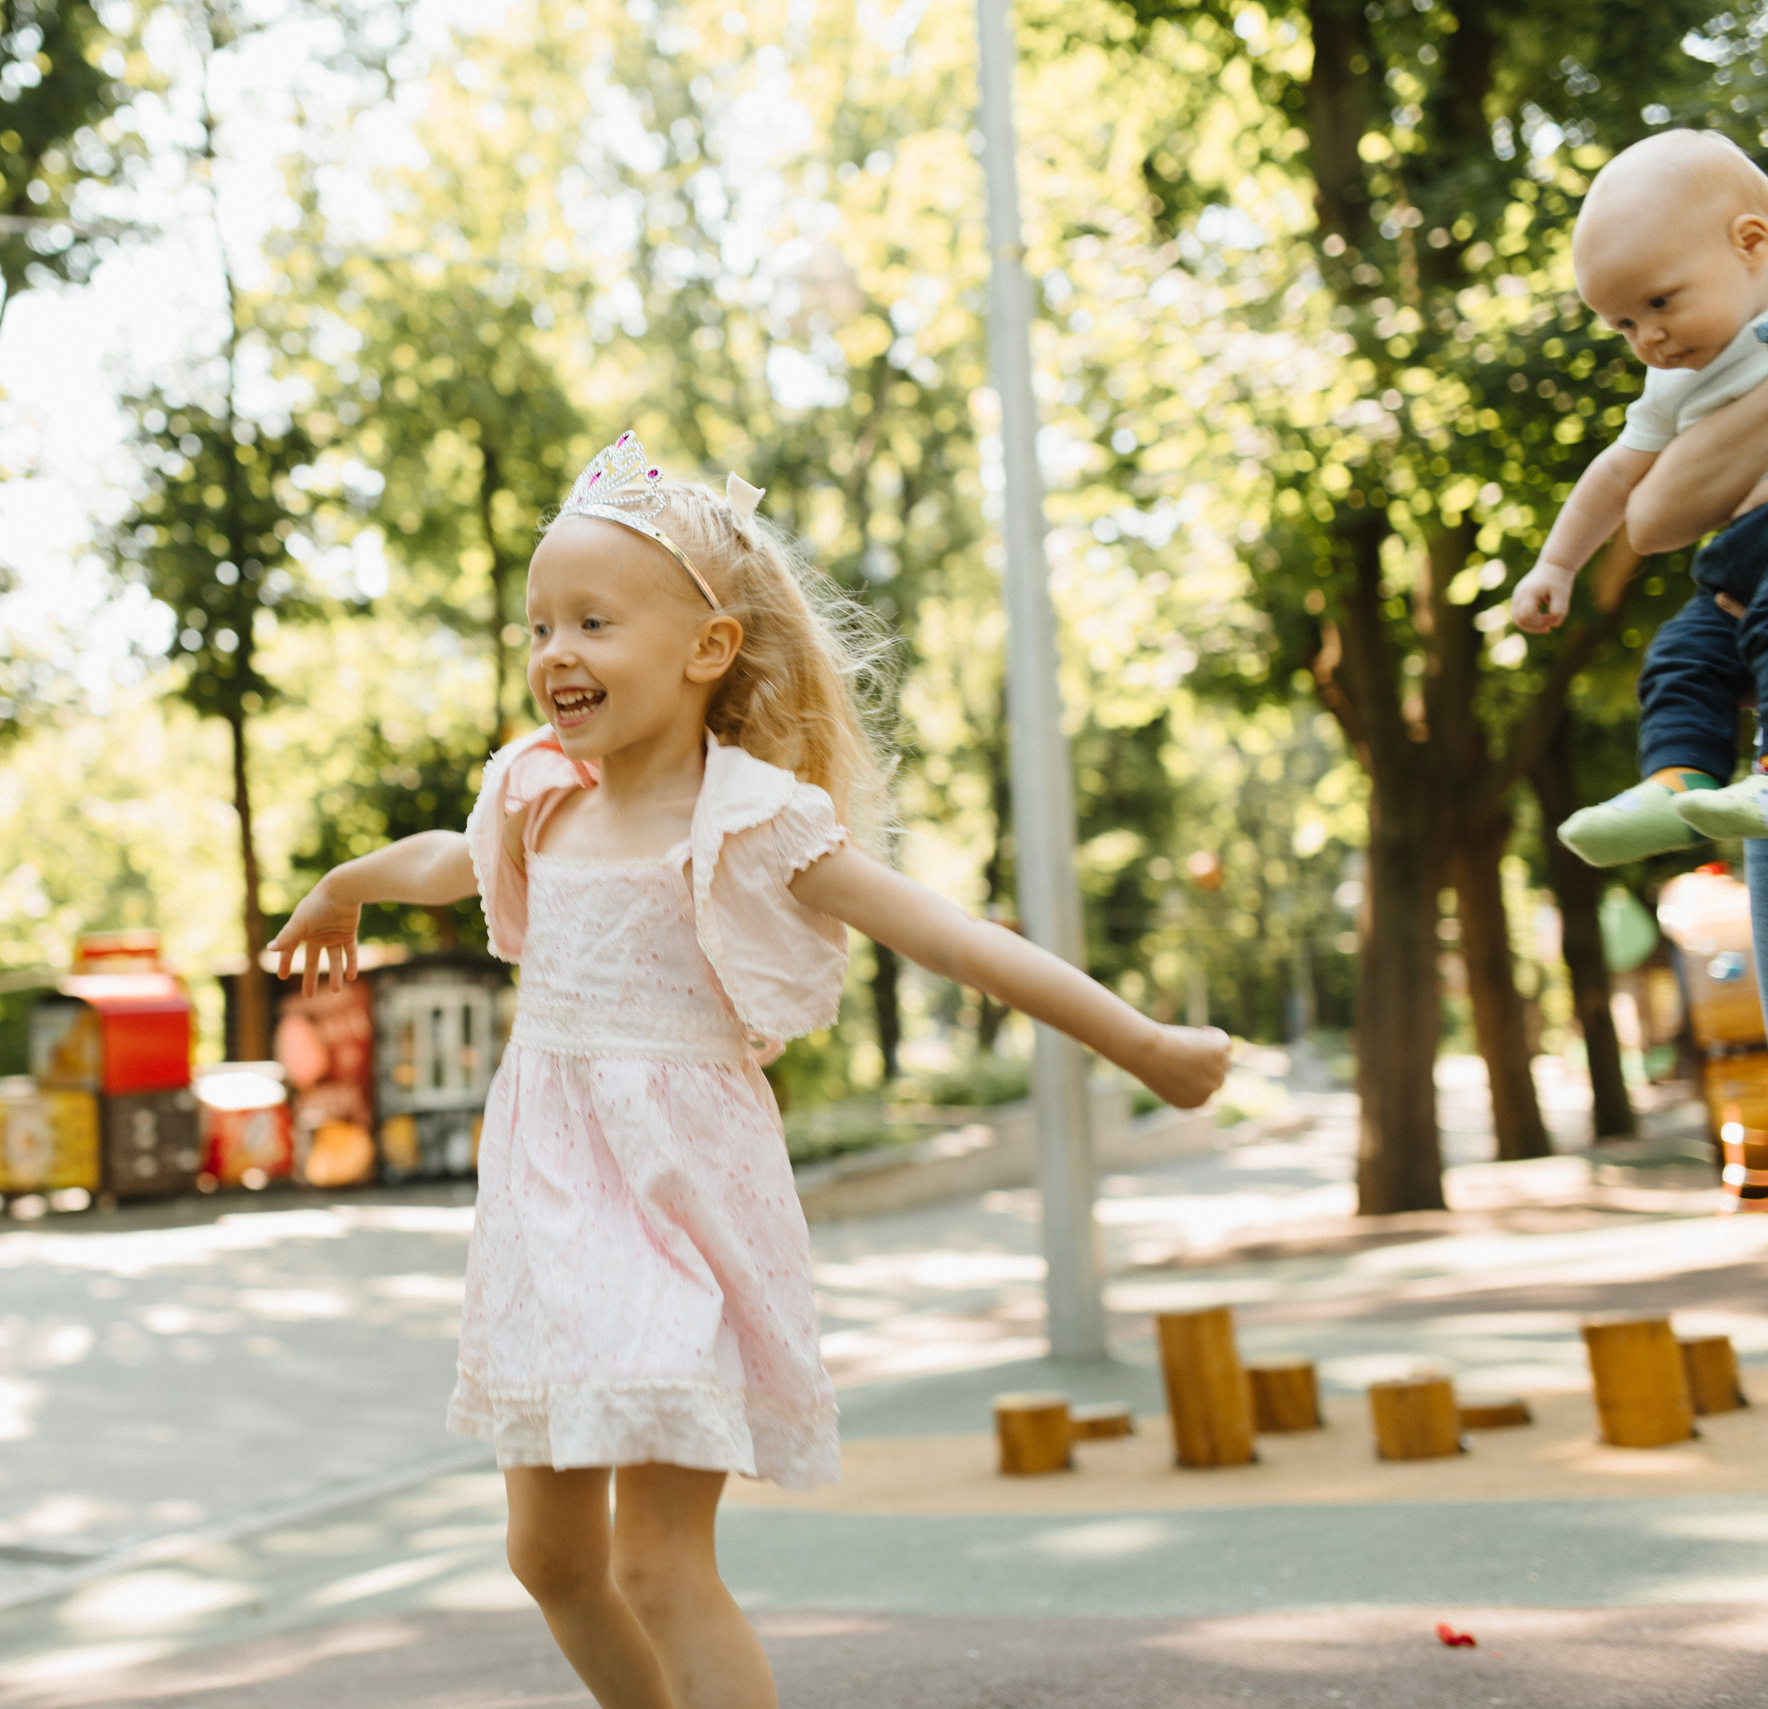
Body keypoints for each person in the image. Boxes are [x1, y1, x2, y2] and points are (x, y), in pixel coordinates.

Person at [269, 430, 1231, 1709]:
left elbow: (952, 935)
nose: (556, 650)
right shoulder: (536, 796)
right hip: (548, 1212)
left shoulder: (754, 820)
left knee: (659, 1564)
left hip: (680, 1206)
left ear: (705, 648)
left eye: (593, 621)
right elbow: (446, 854)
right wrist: (342, 886)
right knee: (548, 1557)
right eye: (540, 624)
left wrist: (1145, 1044)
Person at [1508, 130, 1768, 863]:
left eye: (1659, 302)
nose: (1648, 337)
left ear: (1751, 242)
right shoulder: (1675, 379)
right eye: (1623, 323)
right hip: (1735, 570)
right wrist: (1556, 565)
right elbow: (1618, 476)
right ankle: (1678, 786)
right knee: (1681, 656)